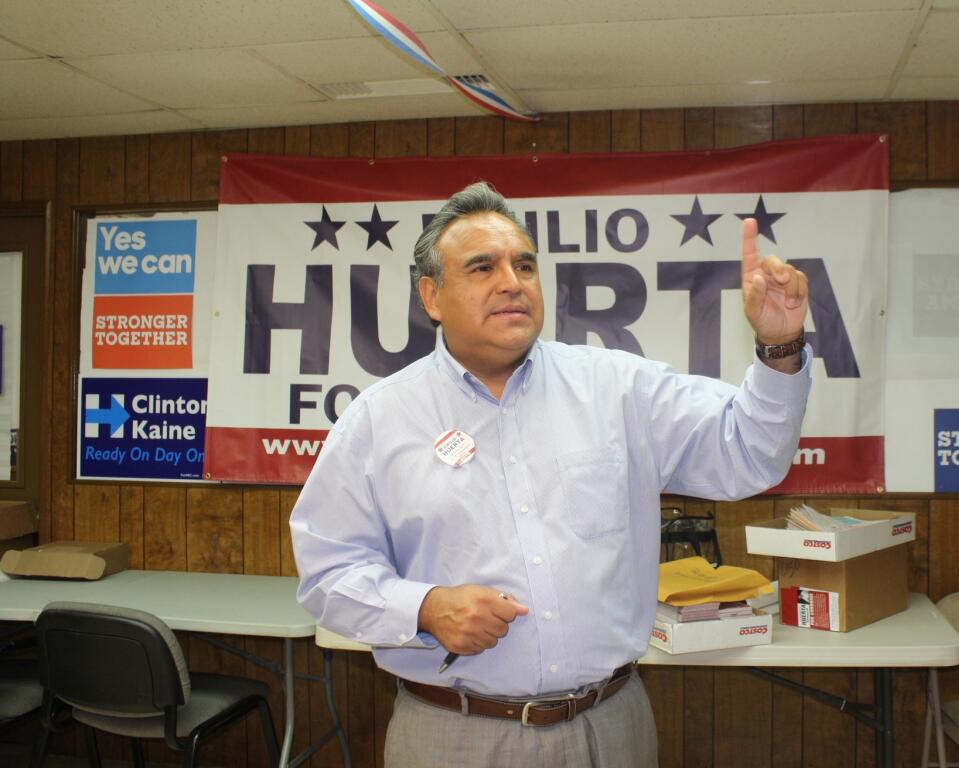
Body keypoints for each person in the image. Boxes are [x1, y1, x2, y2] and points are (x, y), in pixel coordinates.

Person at [290, 181, 813, 767]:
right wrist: (425, 608)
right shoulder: (377, 421)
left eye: (525, 265)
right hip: (454, 734)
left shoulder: (617, 388)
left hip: (609, 727)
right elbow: (328, 576)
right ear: (432, 296)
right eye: (482, 267)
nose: (511, 282)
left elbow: (750, 452)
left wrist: (779, 344)